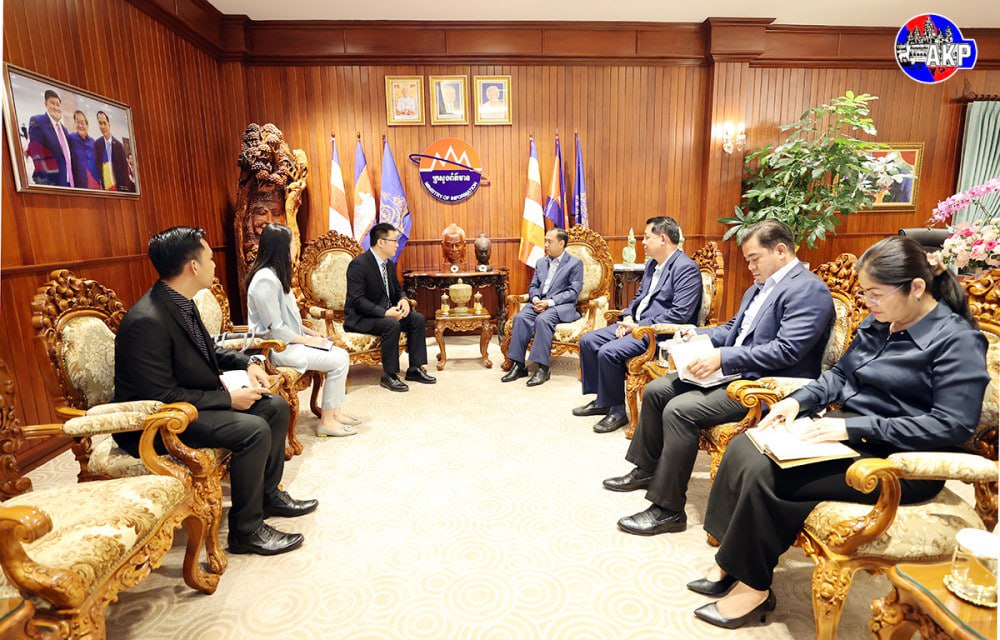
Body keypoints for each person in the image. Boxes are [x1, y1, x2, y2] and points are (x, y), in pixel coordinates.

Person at [687, 236, 988, 630]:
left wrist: (852, 427)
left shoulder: (957, 340)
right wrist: (798, 402)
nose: (867, 303)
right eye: (864, 294)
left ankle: (754, 588)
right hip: (846, 433)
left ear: (916, 287)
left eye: (875, 294)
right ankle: (731, 562)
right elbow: (840, 375)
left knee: (770, 474)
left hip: (900, 459)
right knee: (746, 445)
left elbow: (952, 425)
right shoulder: (880, 322)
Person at [603, 219, 835, 537]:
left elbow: (787, 351)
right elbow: (734, 330)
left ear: (780, 250)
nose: (750, 267)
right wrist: (700, 334)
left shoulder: (808, 290)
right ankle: (646, 469)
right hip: (737, 371)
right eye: (748, 260)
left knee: (680, 410)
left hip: (766, 386)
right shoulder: (759, 287)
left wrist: (723, 358)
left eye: (754, 258)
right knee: (657, 389)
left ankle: (668, 510)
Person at [113, 226, 317, 556]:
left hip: (189, 401)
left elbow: (210, 350)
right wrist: (228, 400)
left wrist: (249, 361)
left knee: (275, 407)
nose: (214, 264)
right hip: (157, 423)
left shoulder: (180, 301)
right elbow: (160, 396)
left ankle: (268, 496)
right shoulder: (147, 320)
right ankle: (246, 530)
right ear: (192, 266)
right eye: (209, 259)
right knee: (252, 429)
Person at [574, 216, 702, 433]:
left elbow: (680, 314)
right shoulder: (652, 265)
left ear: (663, 239)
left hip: (658, 333)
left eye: (647, 237)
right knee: (588, 340)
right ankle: (603, 400)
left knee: (608, 352)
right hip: (636, 325)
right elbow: (639, 297)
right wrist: (627, 317)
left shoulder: (686, 269)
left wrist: (640, 326)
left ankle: (617, 411)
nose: (642, 242)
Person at [247, 223, 360, 437]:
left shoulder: (276, 275)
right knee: (339, 359)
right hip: (275, 349)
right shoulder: (265, 280)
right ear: (281, 247)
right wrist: (309, 341)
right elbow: (276, 330)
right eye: (293, 243)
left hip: (290, 343)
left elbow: (289, 320)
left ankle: (333, 413)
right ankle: (327, 421)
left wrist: (311, 333)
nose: (296, 247)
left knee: (340, 353)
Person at [344, 223, 436, 392]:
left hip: (386, 314)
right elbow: (357, 300)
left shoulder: (389, 265)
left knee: (417, 319)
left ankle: (414, 369)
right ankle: (389, 375)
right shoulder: (359, 265)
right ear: (381, 242)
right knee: (391, 324)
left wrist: (403, 299)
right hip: (361, 318)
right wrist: (385, 313)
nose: (397, 244)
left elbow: (398, 289)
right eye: (394, 240)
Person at [502, 228, 584, 387]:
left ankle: (543, 368)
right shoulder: (541, 262)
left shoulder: (575, 264)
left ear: (561, 243)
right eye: (545, 241)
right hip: (539, 303)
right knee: (520, 318)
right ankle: (519, 365)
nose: (545, 244)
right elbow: (533, 286)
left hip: (560, 306)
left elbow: (573, 292)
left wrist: (549, 302)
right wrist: (535, 299)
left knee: (543, 319)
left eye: (549, 241)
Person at [26, 89, 73, 187]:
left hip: (68, 182)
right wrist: (46, 185)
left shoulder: (64, 130)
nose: (56, 107)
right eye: (52, 103)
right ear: (45, 104)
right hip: (52, 184)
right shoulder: (38, 121)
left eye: (58, 104)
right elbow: (37, 156)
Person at [94, 110, 135, 192]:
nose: (103, 126)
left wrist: (127, 189)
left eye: (104, 123)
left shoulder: (119, 146)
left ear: (109, 125)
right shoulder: (97, 144)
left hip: (119, 187)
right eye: (100, 123)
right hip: (106, 188)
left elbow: (124, 171)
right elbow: (97, 166)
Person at [67, 110, 101, 189]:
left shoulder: (93, 143)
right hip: (79, 186)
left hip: (95, 185)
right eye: (77, 122)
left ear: (87, 125)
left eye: (82, 122)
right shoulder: (70, 139)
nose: (80, 125)